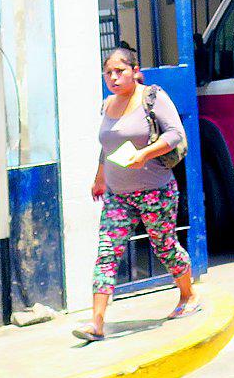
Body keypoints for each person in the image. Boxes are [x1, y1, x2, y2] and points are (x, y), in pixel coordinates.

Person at [73, 44, 199, 343]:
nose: (113, 78)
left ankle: (188, 295)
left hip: (155, 191)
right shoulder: (108, 105)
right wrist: (100, 175)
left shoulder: (151, 97)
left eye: (120, 71)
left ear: (135, 71)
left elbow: (175, 134)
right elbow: (108, 145)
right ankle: (97, 323)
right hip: (118, 195)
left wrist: (145, 154)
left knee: (164, 246)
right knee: (107, 254)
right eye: (108, 73)